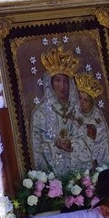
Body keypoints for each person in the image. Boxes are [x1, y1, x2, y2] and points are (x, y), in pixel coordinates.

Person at [31, 46, 83, 175]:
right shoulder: (41, 112)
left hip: (79, 171)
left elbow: (84, 138)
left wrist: (71, 143)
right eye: (58, 80)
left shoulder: (77, 110)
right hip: (52, 172)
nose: (62, 86)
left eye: (65, 81)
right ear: (50, 83)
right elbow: (36, 145)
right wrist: (54, 144)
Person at [72, 71, 109, 170]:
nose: (82, 102)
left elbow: (103, 139)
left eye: (86, 100)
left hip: (99, 154)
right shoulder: (73, 112)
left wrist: (91, 132)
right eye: (80, 98)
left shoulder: (97, 115)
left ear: (91, 103)